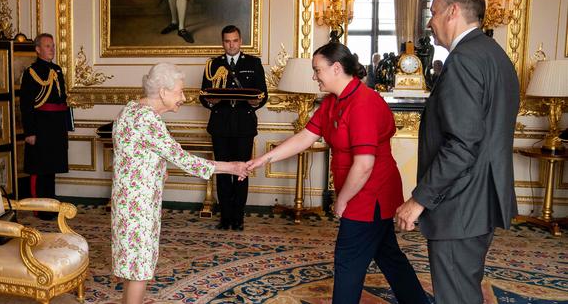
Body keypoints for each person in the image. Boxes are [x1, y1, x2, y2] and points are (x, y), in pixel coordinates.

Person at [246, 42, 428, 304]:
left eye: (317, 70)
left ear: (336, 68)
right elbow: (304, 138)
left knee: (348, 262)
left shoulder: (364, 103)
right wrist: (264, 159)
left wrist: (342, 199)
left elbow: (364, 165)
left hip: (369, 194)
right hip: (361, 191)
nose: (314, 76)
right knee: (388, 256)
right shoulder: (334, 101)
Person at [395, 0, 520, 304]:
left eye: (433, 13)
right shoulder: (495, 55)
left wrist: (418, 200)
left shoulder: (464, 59)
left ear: (453, 11)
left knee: (456, 296)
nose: (429, 23)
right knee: (464, 289)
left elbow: (462, 144)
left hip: (460, 203)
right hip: (482, 199)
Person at [111, 63, 248, 304]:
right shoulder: (148, 120)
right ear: (163, 92)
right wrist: (232, 166)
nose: (184, 97)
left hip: (126, 201)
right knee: (139, 267)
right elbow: (182, 158)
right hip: (139, 206)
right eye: (180, 92)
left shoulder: (130, 110)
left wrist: (158, 169)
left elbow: (135, 152)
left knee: (133, 264)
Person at [199, 25, 268, 231]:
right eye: (227, 41)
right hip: (220, 126)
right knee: (222, 172)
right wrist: (211, 101)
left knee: (241, 172)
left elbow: (263, 94)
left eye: (235, 40)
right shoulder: (213, 65)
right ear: (223, 42)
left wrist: (256, 103)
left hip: (244, 126)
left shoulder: (253, 63)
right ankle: (225, 217)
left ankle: (238, 218)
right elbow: (203, 96)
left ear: (240, 41)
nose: (231, 45)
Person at [19, 33, 70, 220]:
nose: (52, 49)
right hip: (40, 126)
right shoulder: (31, 72)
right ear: (38, 49)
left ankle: (51, 205)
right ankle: (39, 208)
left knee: (51, 168)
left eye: (53, 46)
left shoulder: (57, 70)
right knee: (40, 169)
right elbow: (26, 105)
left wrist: (65, 126)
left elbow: (61, 100)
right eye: (48, 46)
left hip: (56, 127)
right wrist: (30, 131)